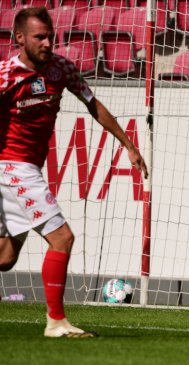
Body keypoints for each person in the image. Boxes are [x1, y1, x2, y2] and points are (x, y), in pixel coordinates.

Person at [0, 7, 148, 337]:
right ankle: (56, 322)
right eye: (40, 37)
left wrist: (128, 144)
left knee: (6, 257)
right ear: (20, 38)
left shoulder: (61, 69)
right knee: (62, 238)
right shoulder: (6, 74)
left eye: (51, 36)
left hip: (27, 169)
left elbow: (92, 103)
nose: (48, 43)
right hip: (12, 168)